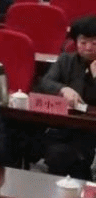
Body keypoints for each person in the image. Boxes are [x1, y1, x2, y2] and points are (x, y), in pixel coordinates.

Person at [35, 16, 96, 178]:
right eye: (83, 42)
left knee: (60, 155)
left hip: (89, 131)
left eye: (94, 43)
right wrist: (63, 89)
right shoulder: (66, 60)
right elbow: (45, 82)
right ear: (75, 42)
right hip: (61, 126)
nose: (88, 48)